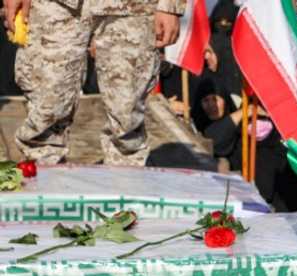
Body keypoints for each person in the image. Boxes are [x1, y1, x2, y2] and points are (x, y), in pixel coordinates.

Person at [10, 0, 184, 164]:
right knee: (46, 107)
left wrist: (171, 5)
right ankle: (44, 182)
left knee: (127, 114)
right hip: (54, 5)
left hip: (132, 7)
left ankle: (125, 185)